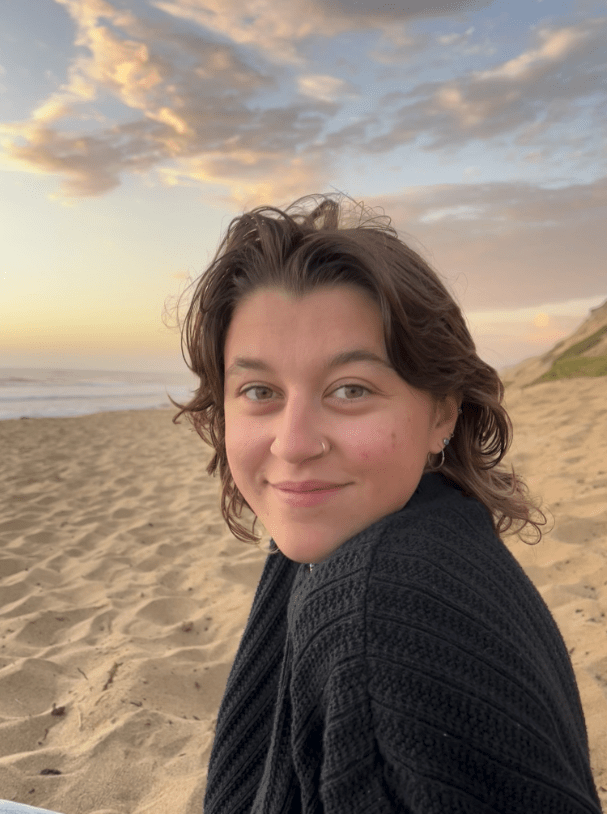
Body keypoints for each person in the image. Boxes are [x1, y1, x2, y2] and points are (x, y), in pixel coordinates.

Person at [173, 194, 602, 813]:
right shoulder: (437, 533)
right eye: (259, 390)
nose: (294, 444)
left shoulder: (375, 620)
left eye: (350, 389)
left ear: (442, 414)